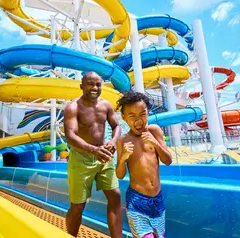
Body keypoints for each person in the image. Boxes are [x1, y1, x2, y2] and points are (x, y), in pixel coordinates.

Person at [63, 72, 123, 238]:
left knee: (115, 196)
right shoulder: (73, 107)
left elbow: (116, 126)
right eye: (90, 84)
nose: (94, 88)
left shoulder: (106, 105)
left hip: (103, 155)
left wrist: (112, 141)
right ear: (82, 86)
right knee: (78, 205)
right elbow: (70, 135)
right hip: (81, 158)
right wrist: (93, 150)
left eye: (98, 84)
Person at [115, 91, 172, 238]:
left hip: (157, 199)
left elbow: (168, 161)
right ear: (124, 118)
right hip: (136, 201)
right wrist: (122, 159)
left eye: (142, 114)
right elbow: (119, 175)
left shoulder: (154, 131)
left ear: (148, 113)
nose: (139, 121)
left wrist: (156, 144)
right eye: (132, 116)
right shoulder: (122, 140)